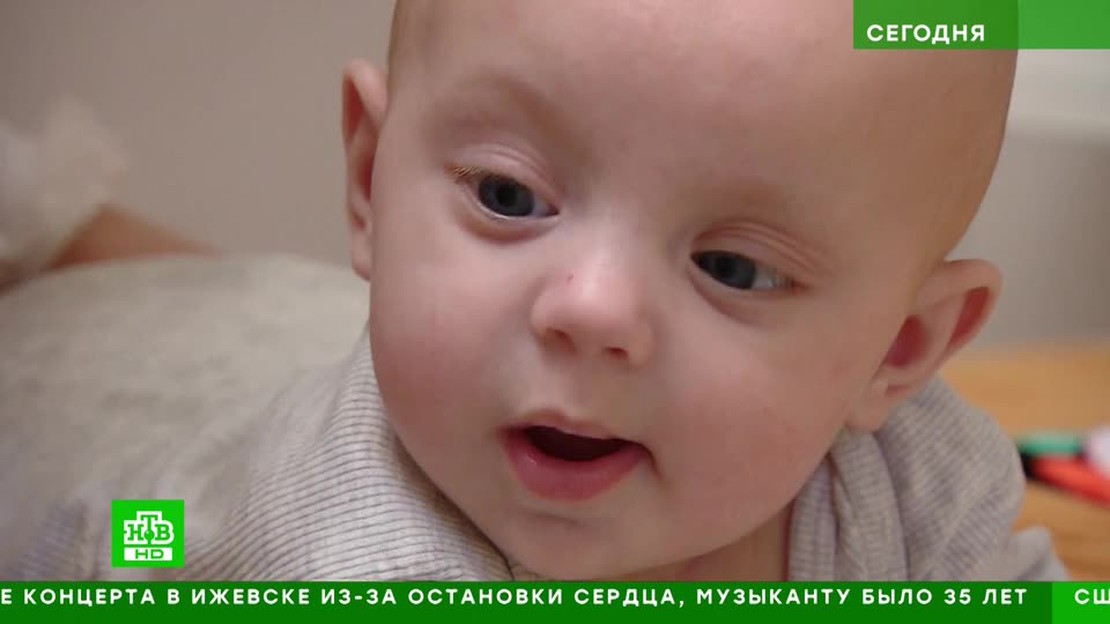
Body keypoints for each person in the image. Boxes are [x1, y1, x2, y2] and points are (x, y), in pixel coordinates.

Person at [0, 0, 1067, 581]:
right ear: (370, 182)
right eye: (508, 197)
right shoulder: (340, 559)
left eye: (733, 268)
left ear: (898, 350)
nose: (591, 309)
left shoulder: (909, 485)